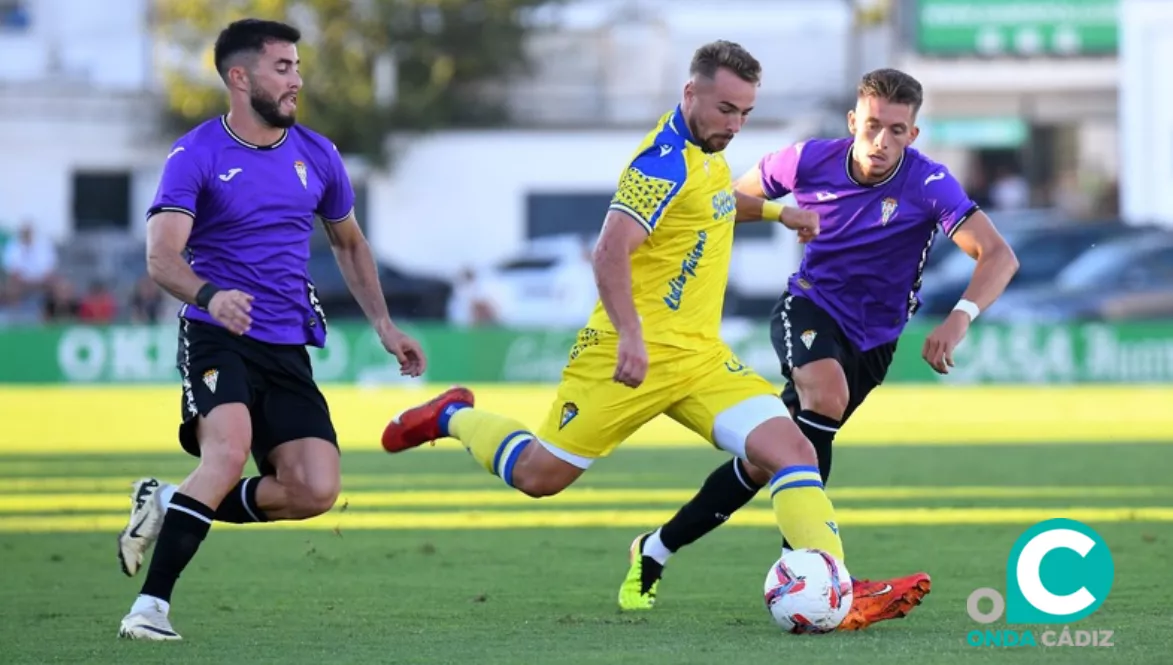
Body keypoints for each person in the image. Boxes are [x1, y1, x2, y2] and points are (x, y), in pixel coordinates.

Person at [382, 42, 924, 630]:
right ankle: (452, 416)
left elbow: (714, 202)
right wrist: (633, 336)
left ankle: (837, 588)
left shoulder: (707, 150)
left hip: (700, 360)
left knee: (792, 452)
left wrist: (775, 213)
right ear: (690, 94)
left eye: (744, 112)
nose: (735, 125)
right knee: (539, 476)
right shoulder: (658, 163)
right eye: (725, 109)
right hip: (623, 356)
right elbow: (610, 249)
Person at [619, 68, 1020, 628]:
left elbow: (998, 255)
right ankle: (813, 569)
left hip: (874, 343)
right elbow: (722, 200)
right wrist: (772, 216)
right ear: (854, 121)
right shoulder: (807, 161)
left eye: (897, 131)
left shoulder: (929, 185)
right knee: (823, 398)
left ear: (914, 134)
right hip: (808, 308)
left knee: (768, 462)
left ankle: (655, 550)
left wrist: (959, 318)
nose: (882, 142)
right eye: (874, 125)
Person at [116, 18, 426, 641]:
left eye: (296, 67)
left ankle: (169, 500)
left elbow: (350, 243)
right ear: (240, 77)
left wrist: (385, 325)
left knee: (314, 490)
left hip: (287, 343)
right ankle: (149, 608)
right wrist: (211, 295)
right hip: (215, 333)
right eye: (282, 67)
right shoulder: (195, 154)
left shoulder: (318, 153)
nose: (297, 80)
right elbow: (161, 256)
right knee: (226, 455)